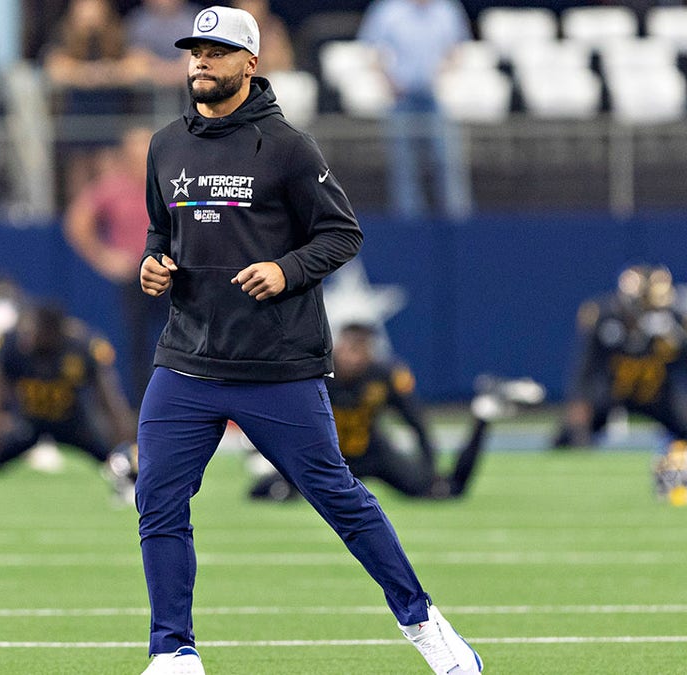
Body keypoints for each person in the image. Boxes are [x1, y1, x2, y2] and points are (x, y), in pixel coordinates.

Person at [134, 7, 483, 674]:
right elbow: (161, 233)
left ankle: (423, 622)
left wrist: (286, 268)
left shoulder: (288, 147)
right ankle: (173, 650)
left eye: (216, 50)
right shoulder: (165, 145)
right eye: (194, 50)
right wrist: (152, 264)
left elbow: (341, 233)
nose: (200, 61)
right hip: (186, 360)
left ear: (251, 63)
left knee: (341, 500)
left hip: (276, 365)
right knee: (158, 497)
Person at [249, 323, 544, 501]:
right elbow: (282, 417)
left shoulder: (384, 375)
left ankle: (482, 415)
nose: (352, 357)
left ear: (370, 351)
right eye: (348, 348)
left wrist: (429, 464)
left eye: (359, 349)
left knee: (443, 491)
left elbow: (415, 419)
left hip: (374, 454)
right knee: (266, 492)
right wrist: (268, 455)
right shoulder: (317, 371)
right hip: (326, 457)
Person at [0, 304, 137, 498]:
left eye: (34, 331)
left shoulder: (79, 348)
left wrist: (126, 446)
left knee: (120, 464)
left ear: (52, 332)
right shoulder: (12, 347)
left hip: (74, 424)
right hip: (29, 423)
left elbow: (111, 402)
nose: (28, 337)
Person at [553, 265, 687, 449]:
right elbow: (585, 367)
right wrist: (579, 401)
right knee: (568, 437)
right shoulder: (605, 319)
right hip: (613, 393)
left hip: (659, 394)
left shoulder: (672, 322)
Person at [64, 126, 168, 405]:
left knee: (181, 339)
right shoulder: (112, 186)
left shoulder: (170, 182)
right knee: (136, 346)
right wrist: (105, 257)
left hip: (171, 271)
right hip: (134, 274)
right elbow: (77, 222)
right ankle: (140, 407)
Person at [357, 0, 473, 219]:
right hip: (401, 99)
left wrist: (443, 76)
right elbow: (370, 52)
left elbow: (458, 50)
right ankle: (409, 226)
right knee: (404, 167)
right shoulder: (388, 11)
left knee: (447, 164)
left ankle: (458, 225)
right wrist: (389, 82)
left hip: (436, 99)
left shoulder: (447, 10)